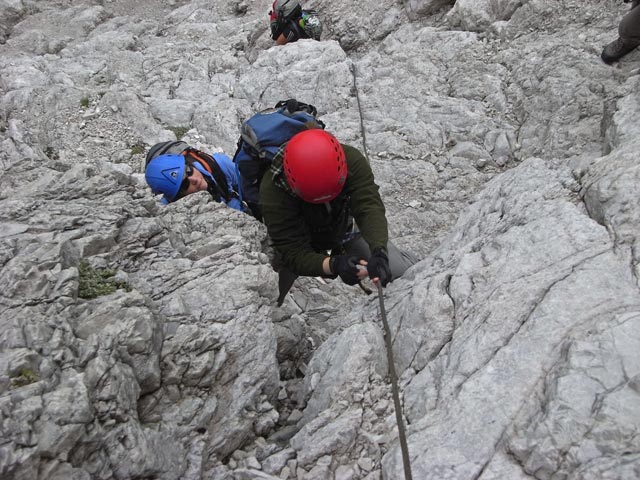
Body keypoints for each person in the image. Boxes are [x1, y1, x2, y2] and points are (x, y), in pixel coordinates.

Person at [259, 129, 419, 301]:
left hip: (344, 225)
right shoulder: (274, 192)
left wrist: (379, 251)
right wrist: (334, 265)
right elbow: (294, 252)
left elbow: (368, 207)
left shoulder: (351, 161)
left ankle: (411, 263)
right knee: (272, 292)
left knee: (397, 269)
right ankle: (276, 308)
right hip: (301, 232)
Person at [145, 141, 249, 214]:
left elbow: (247, 189)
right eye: (185, 184)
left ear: (188, 163)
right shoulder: (170, 210)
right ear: (178, 197)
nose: (194, 180)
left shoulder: (220, 164)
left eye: (189, 171)